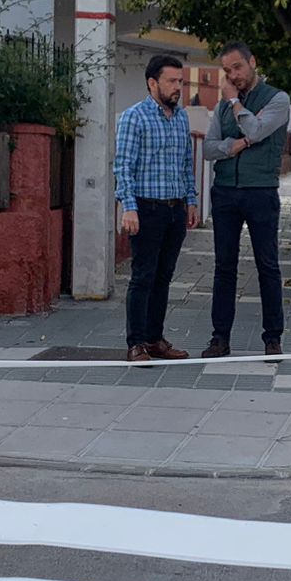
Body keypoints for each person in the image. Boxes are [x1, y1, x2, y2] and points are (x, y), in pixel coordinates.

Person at [200, 43, 291, 357]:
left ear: (252, 62)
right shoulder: (224, 106)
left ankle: (272, 338)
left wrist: (237, 107)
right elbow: (208, 149)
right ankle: (220, 338)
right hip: (225, 191)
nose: (233, 75)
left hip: (260, 191)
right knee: (224, 266)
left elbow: (256, 129)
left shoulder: (278, 99)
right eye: (227, 71)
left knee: (267, 265)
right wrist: (236, 144)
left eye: (237, 67)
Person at [113, 54, 200, 364]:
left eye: (181, 81)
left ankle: (154, 338)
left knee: (164, 277)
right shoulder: (133, 117)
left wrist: (191, 200)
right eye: (172, 81)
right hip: (146, 210)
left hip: (175, 210)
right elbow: (123, 166)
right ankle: (135, 343)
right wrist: (129, 207)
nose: (179, 87)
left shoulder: (181, 117)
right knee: (143, 276)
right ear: (153, 83)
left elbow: (186, 164)